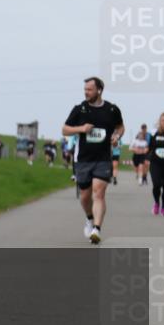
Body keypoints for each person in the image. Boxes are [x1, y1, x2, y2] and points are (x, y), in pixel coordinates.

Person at [62, 77, 124, 244]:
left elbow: (120, 126)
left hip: (103, 159)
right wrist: (81, 128)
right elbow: (65, 130)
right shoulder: (79, 109)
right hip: (83, 160)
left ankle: (97, 228)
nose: (86, 92)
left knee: (99, 193)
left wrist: (117, 136)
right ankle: (89, 218)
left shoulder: (112, 109)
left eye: (89, 89)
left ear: (99, 90)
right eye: (85, 89)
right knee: (85, 196)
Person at [150, 113, 164, 216]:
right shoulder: (154, 133)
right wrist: (145, 157)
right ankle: (157, 202)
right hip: (155, 163)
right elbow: (149, 147)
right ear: (159, 121)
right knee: (157, 184)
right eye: (163, 120)